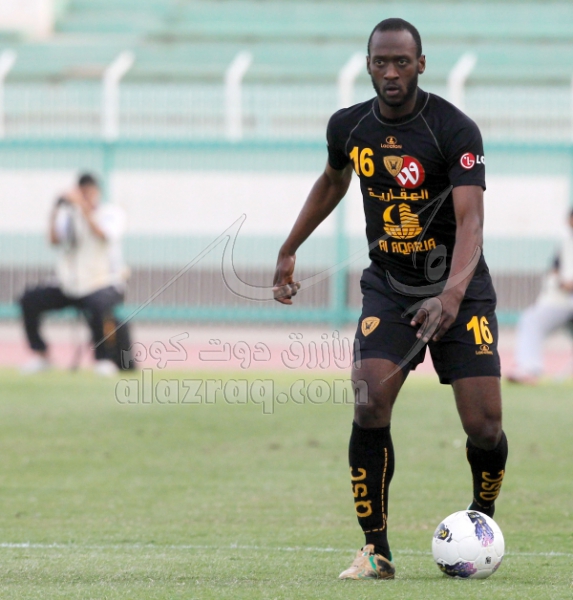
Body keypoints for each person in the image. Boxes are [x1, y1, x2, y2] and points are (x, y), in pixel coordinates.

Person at [273, 18, 508, 580]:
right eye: (381, 62)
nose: (391, 72)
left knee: (484, 427)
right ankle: (375, 550)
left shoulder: (454, 129)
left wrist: (451, 296)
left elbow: (471, 222)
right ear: (369, 65)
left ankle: (481, 517)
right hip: (390, 288)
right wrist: (288, 248)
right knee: (369, 401)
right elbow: (333, 181)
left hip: (460, 288)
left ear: (421, 64)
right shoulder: (349, 126)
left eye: (402, 61)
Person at [20, 173, 127, 376]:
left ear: (97, 192)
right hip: (71, 284)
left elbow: (103, 235)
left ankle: (103, 360)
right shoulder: (69, 216)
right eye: (81, 194)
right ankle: (41, 354)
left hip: (103, 282)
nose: (84, 198)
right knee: (29, 299)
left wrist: (84, 208)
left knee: (98, 305)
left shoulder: (110, 213)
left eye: (88, 194)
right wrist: (56, 210)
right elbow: (54, 240)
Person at [508, 209, 573, 384]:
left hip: (566, 300)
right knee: (531, 320)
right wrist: (561, 282)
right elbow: (556, 270)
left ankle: (528, 368)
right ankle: (528, 369)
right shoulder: (566, 243)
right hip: (562, 301)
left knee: (531, 320)